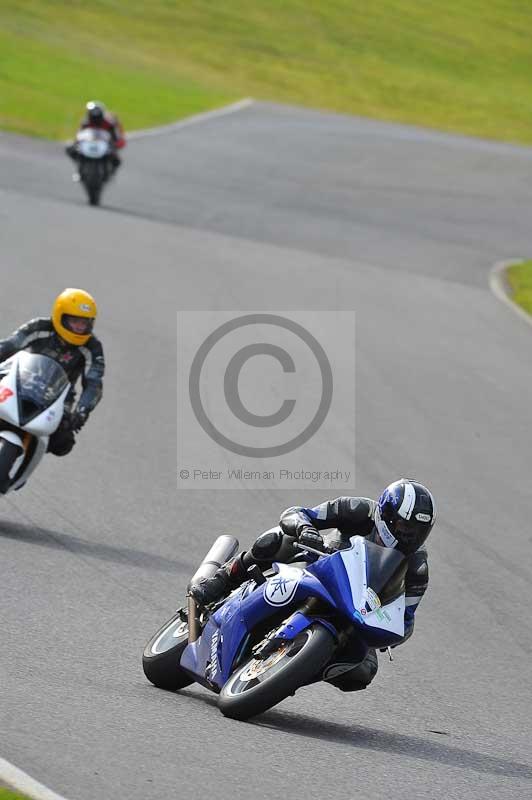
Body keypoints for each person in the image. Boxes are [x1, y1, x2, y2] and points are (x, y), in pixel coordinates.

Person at [189, 479, 435, 692]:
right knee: (278, 539)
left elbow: (406, 618)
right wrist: (305, 528)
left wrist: (391, 633)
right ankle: (222, 580)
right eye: (404, 527)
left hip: (356, 612)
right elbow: (298, 513)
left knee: (362, 671)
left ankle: (293, 671)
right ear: (387, 516)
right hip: (318, 568)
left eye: (418, 531)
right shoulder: (358, 510)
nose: (409, 536)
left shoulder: (417, 568)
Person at [0, 289, 105, 456]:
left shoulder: (92, 347)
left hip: (58, 399)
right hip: (19, 383)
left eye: (84, 323)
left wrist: (82, 411)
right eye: (74, 321)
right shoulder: (39, 327)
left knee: (63, 442)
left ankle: (24, 462)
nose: (79, 327)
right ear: (60, 316)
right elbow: (9, 346)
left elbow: (94, 383)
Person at [66, 101, 126, 175]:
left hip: (103, 146)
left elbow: (115, 137)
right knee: (71, 150)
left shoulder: (109, 123)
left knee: (116, 160)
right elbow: (79, 135)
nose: (95, 117)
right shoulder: (85, 123)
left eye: (97, 115)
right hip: (89, 144)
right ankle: (80, 168)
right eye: (93, 115)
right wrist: (75, 143)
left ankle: (111, 172)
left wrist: (116, 143)